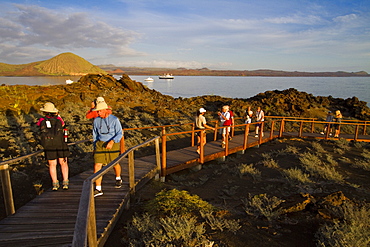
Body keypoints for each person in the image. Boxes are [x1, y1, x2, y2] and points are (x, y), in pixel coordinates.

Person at [92, 101, 123, 197]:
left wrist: (113, 141)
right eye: (97, 112)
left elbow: (119, 133)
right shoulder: (96, 120)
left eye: (100, 111)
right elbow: (95, 134)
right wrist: (94, 146)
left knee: (114, 164)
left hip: (112, 143)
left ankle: (118, 178)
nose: (98, 113)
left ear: (105, 110)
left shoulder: (114, 120)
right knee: (97, 165)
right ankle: (98, 188)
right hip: (100, 144)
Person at [37, 102, 70, 191]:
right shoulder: (58, 119)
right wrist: (58, 115)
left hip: (49, 145)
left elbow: (38, 127)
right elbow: (63, 125)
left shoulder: (41, 120)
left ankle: (55, 183)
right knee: (63, 163)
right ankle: (65, 182)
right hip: (60, 144)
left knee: (52, 164)